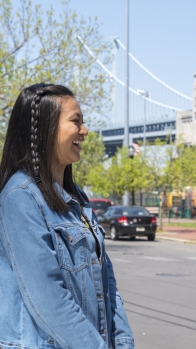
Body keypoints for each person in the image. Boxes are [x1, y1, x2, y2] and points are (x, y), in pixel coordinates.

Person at [0, 83, 134, 348]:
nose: (84, 131)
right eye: (76, 122)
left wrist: (123, 342)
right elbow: (48, 299)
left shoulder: (78, 200)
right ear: (44, 129)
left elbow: (108, 285)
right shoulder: (20, 197)